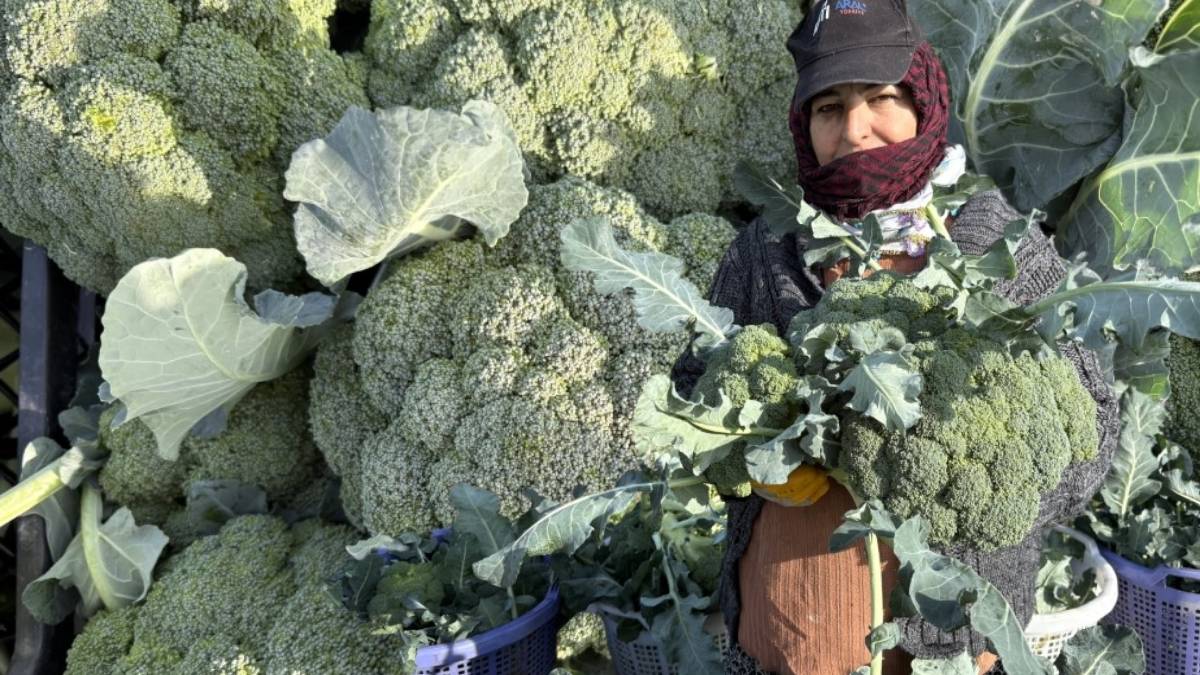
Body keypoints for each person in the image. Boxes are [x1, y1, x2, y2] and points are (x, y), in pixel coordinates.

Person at [668, 1, 1120, 673]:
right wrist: (761, 451)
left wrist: (979, 467)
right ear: (803, 123)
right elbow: (687, 398)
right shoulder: (764, 253)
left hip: (960, 649)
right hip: (788, 635)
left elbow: (1094, 432)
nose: (854, 129)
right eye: (827, 108)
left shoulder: (1005, 250)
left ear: (924, 100)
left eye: (880, 97)